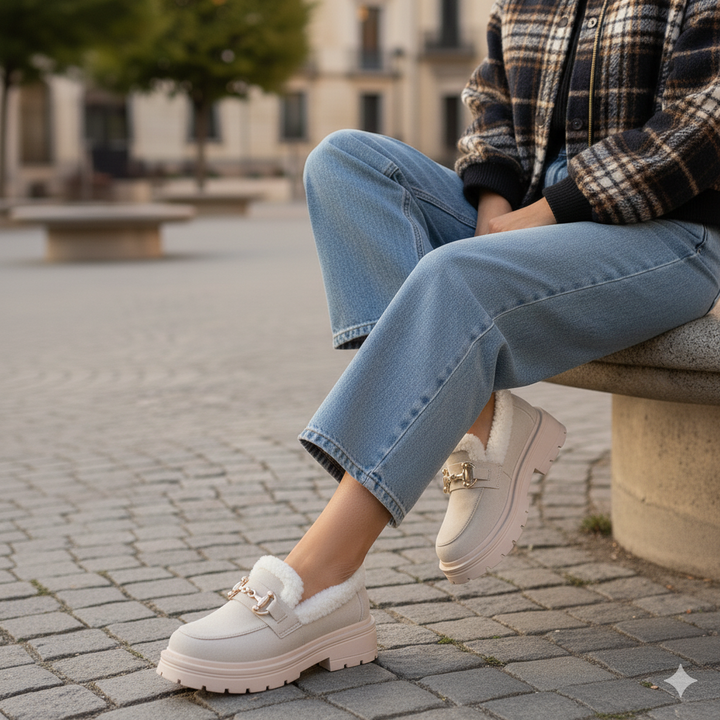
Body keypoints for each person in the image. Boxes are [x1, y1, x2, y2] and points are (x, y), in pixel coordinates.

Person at [157, 0, 720, 693]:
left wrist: (537, 219)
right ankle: (485, 426)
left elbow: (699, 130)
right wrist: (493, 212)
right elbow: (491, 106)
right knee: (344, 164)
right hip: (526, 220)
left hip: (670, 235)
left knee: (455, 275)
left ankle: (322, 583)